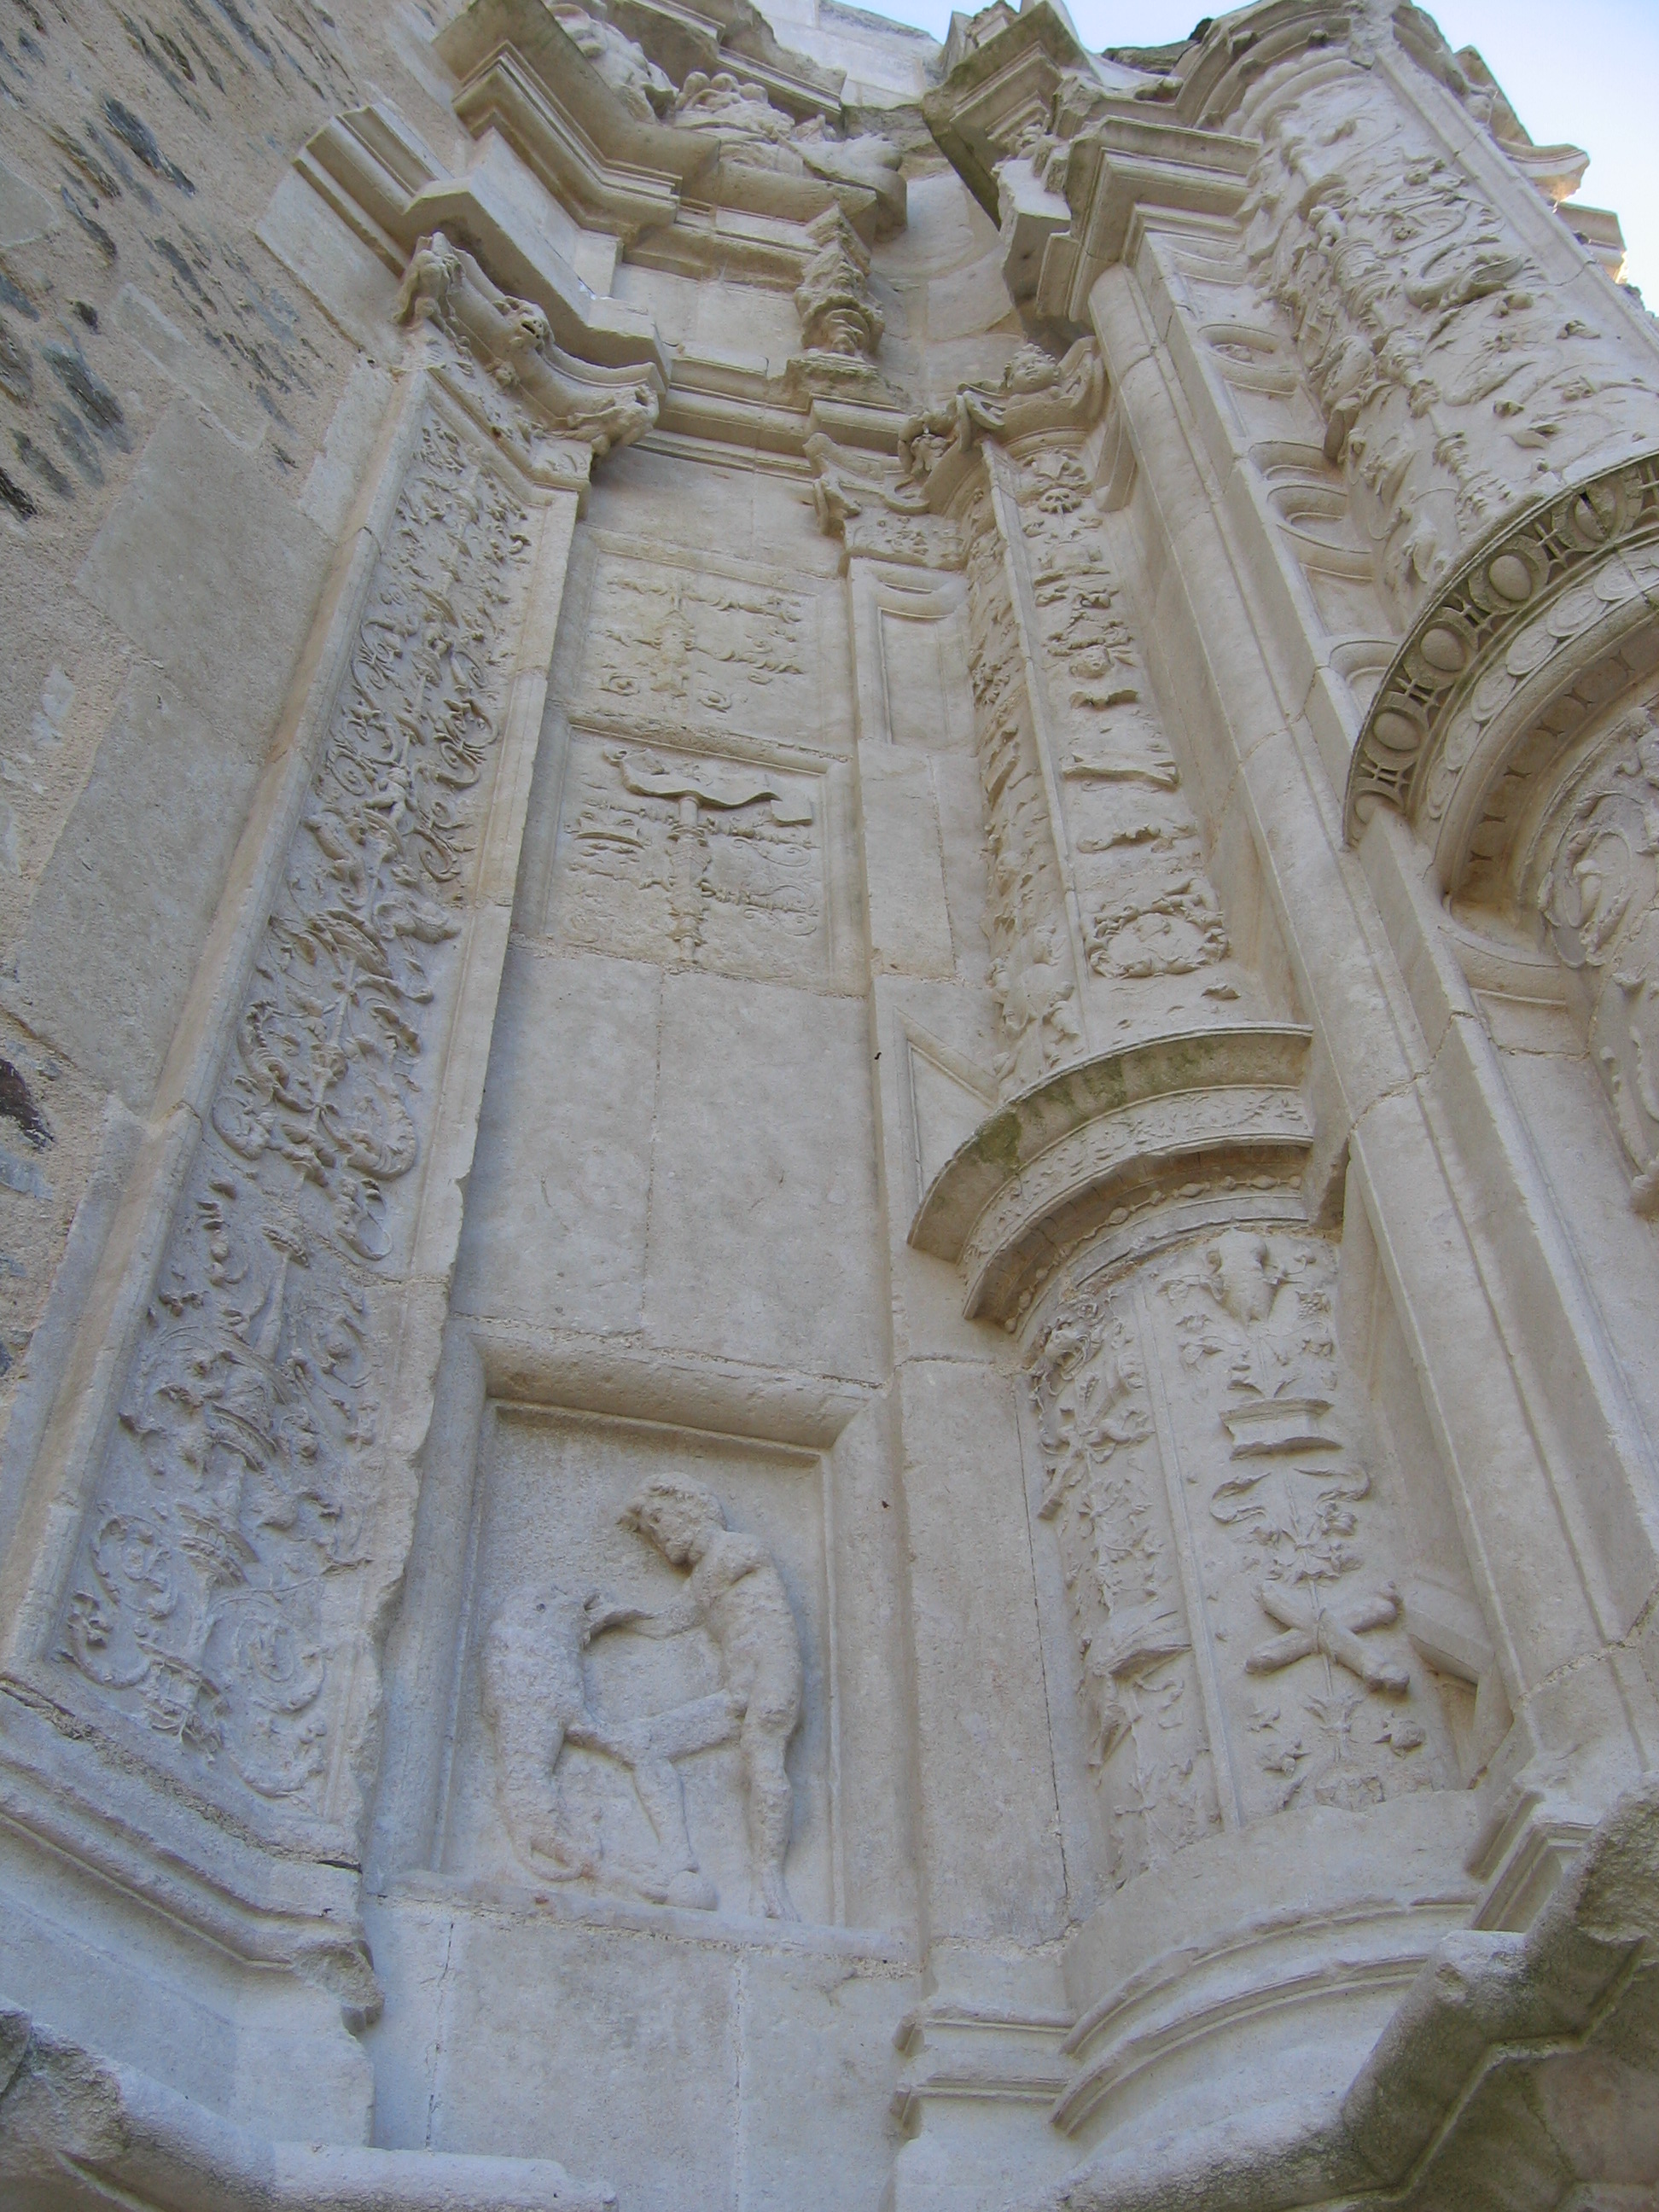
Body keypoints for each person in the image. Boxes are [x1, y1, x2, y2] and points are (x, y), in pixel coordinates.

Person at [619, 1475, 803, 1919]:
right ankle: (676, 1860)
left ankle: (769, 1883)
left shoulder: (739, 1550)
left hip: (770, 1683)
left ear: (692, 1509)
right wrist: (614, 1618)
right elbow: (667, 1622)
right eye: (651, 1531)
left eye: (660, 1520)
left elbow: (700, 1595)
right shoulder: (706, 1577)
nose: (659, 1537)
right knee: (646, 1744)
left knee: (763, 1766)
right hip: (736, 1693)